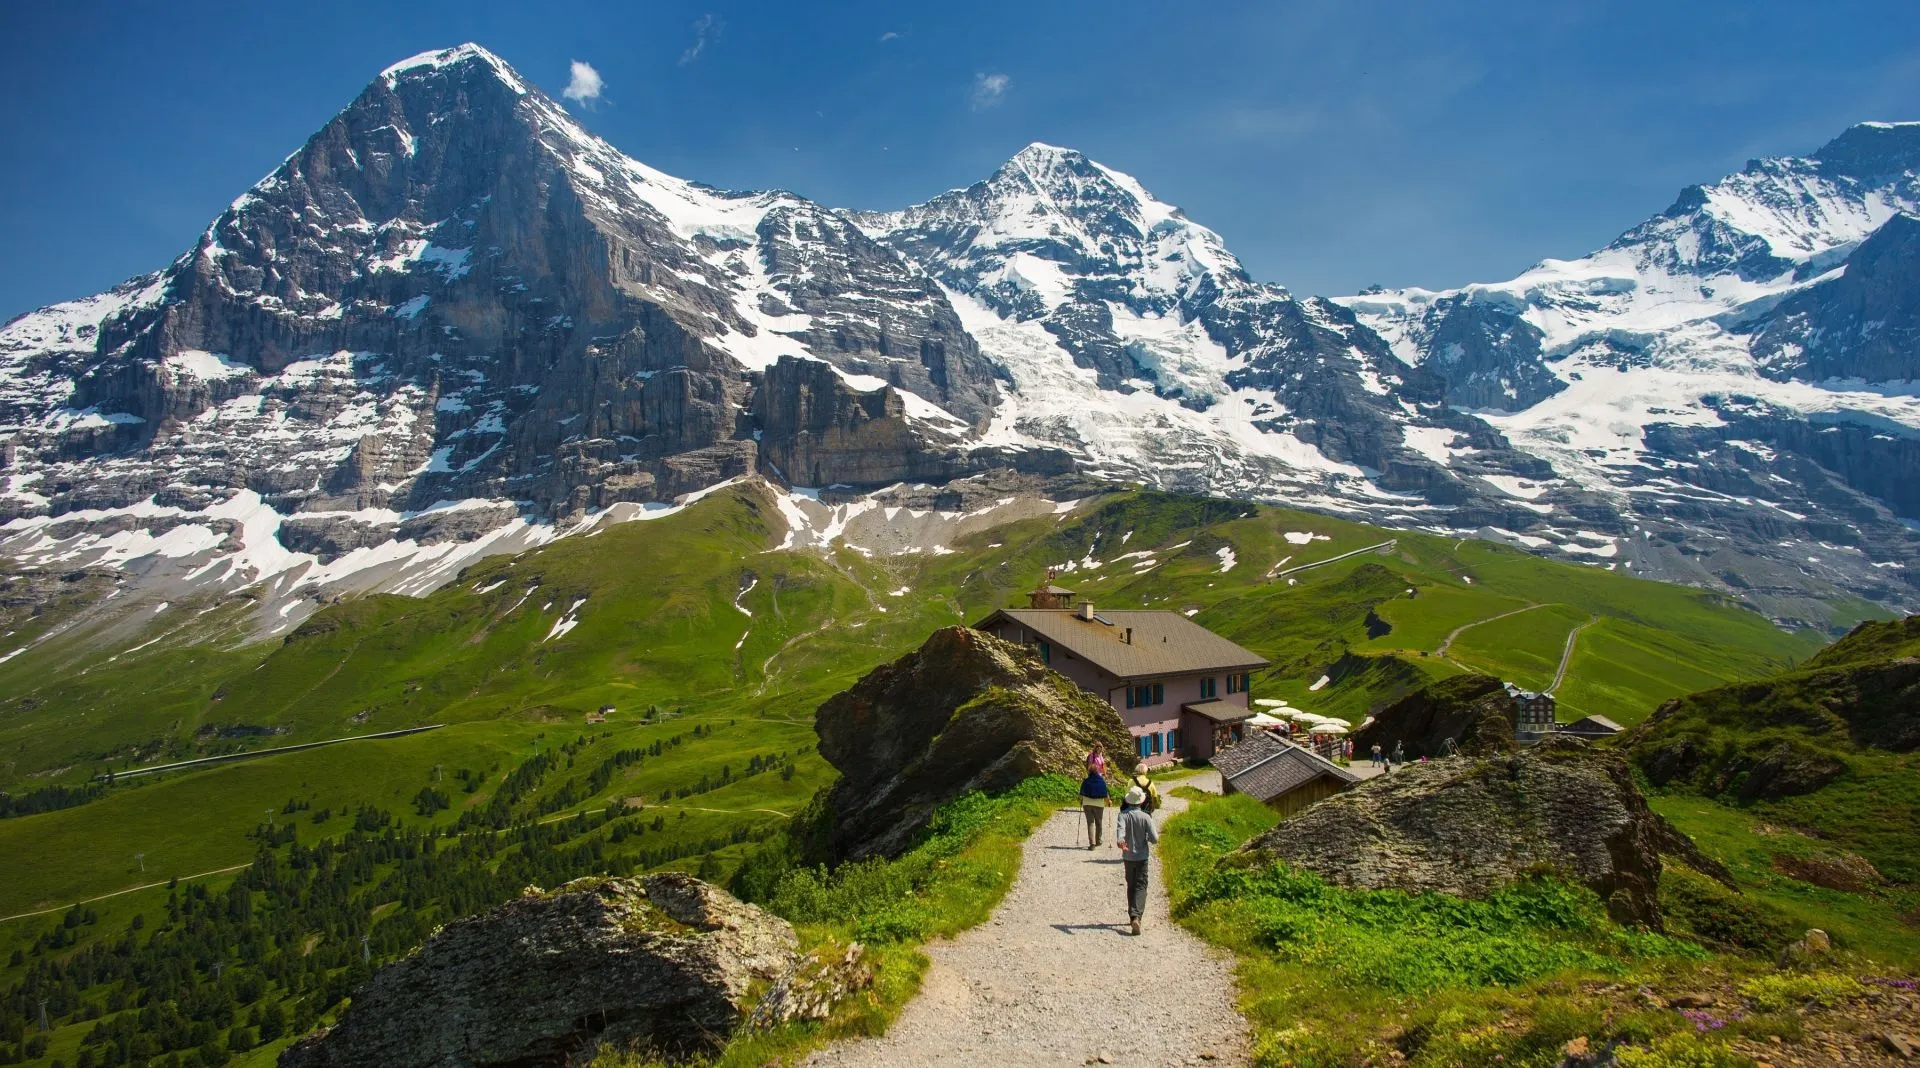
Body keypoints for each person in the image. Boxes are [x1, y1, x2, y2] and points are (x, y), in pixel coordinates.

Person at [1114, 785, 1159, 936]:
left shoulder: (1123, 815)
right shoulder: (1146, 817)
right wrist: (1146, 837)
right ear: (1141, 802)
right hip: (1142, 857)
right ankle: (1136, 916)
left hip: (1128, 857)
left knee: (1131, 885)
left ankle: (1132, 915)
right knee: (1141, 885)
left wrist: (1121, 840)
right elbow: (1155, 839)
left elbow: (1121, 830)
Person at [1078, 768, 1110, 848]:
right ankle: (1098, 841)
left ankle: (1092, 844)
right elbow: (1106, 793)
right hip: (1099, 804)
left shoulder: (1086, 781)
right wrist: (1108, 801)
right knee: (1099, 823)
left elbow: (1080, 795)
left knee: (1090, 823)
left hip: (1087, 804)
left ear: (1089, 772)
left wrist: (1080, 800)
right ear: (1097, 772)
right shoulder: (1101, 781)